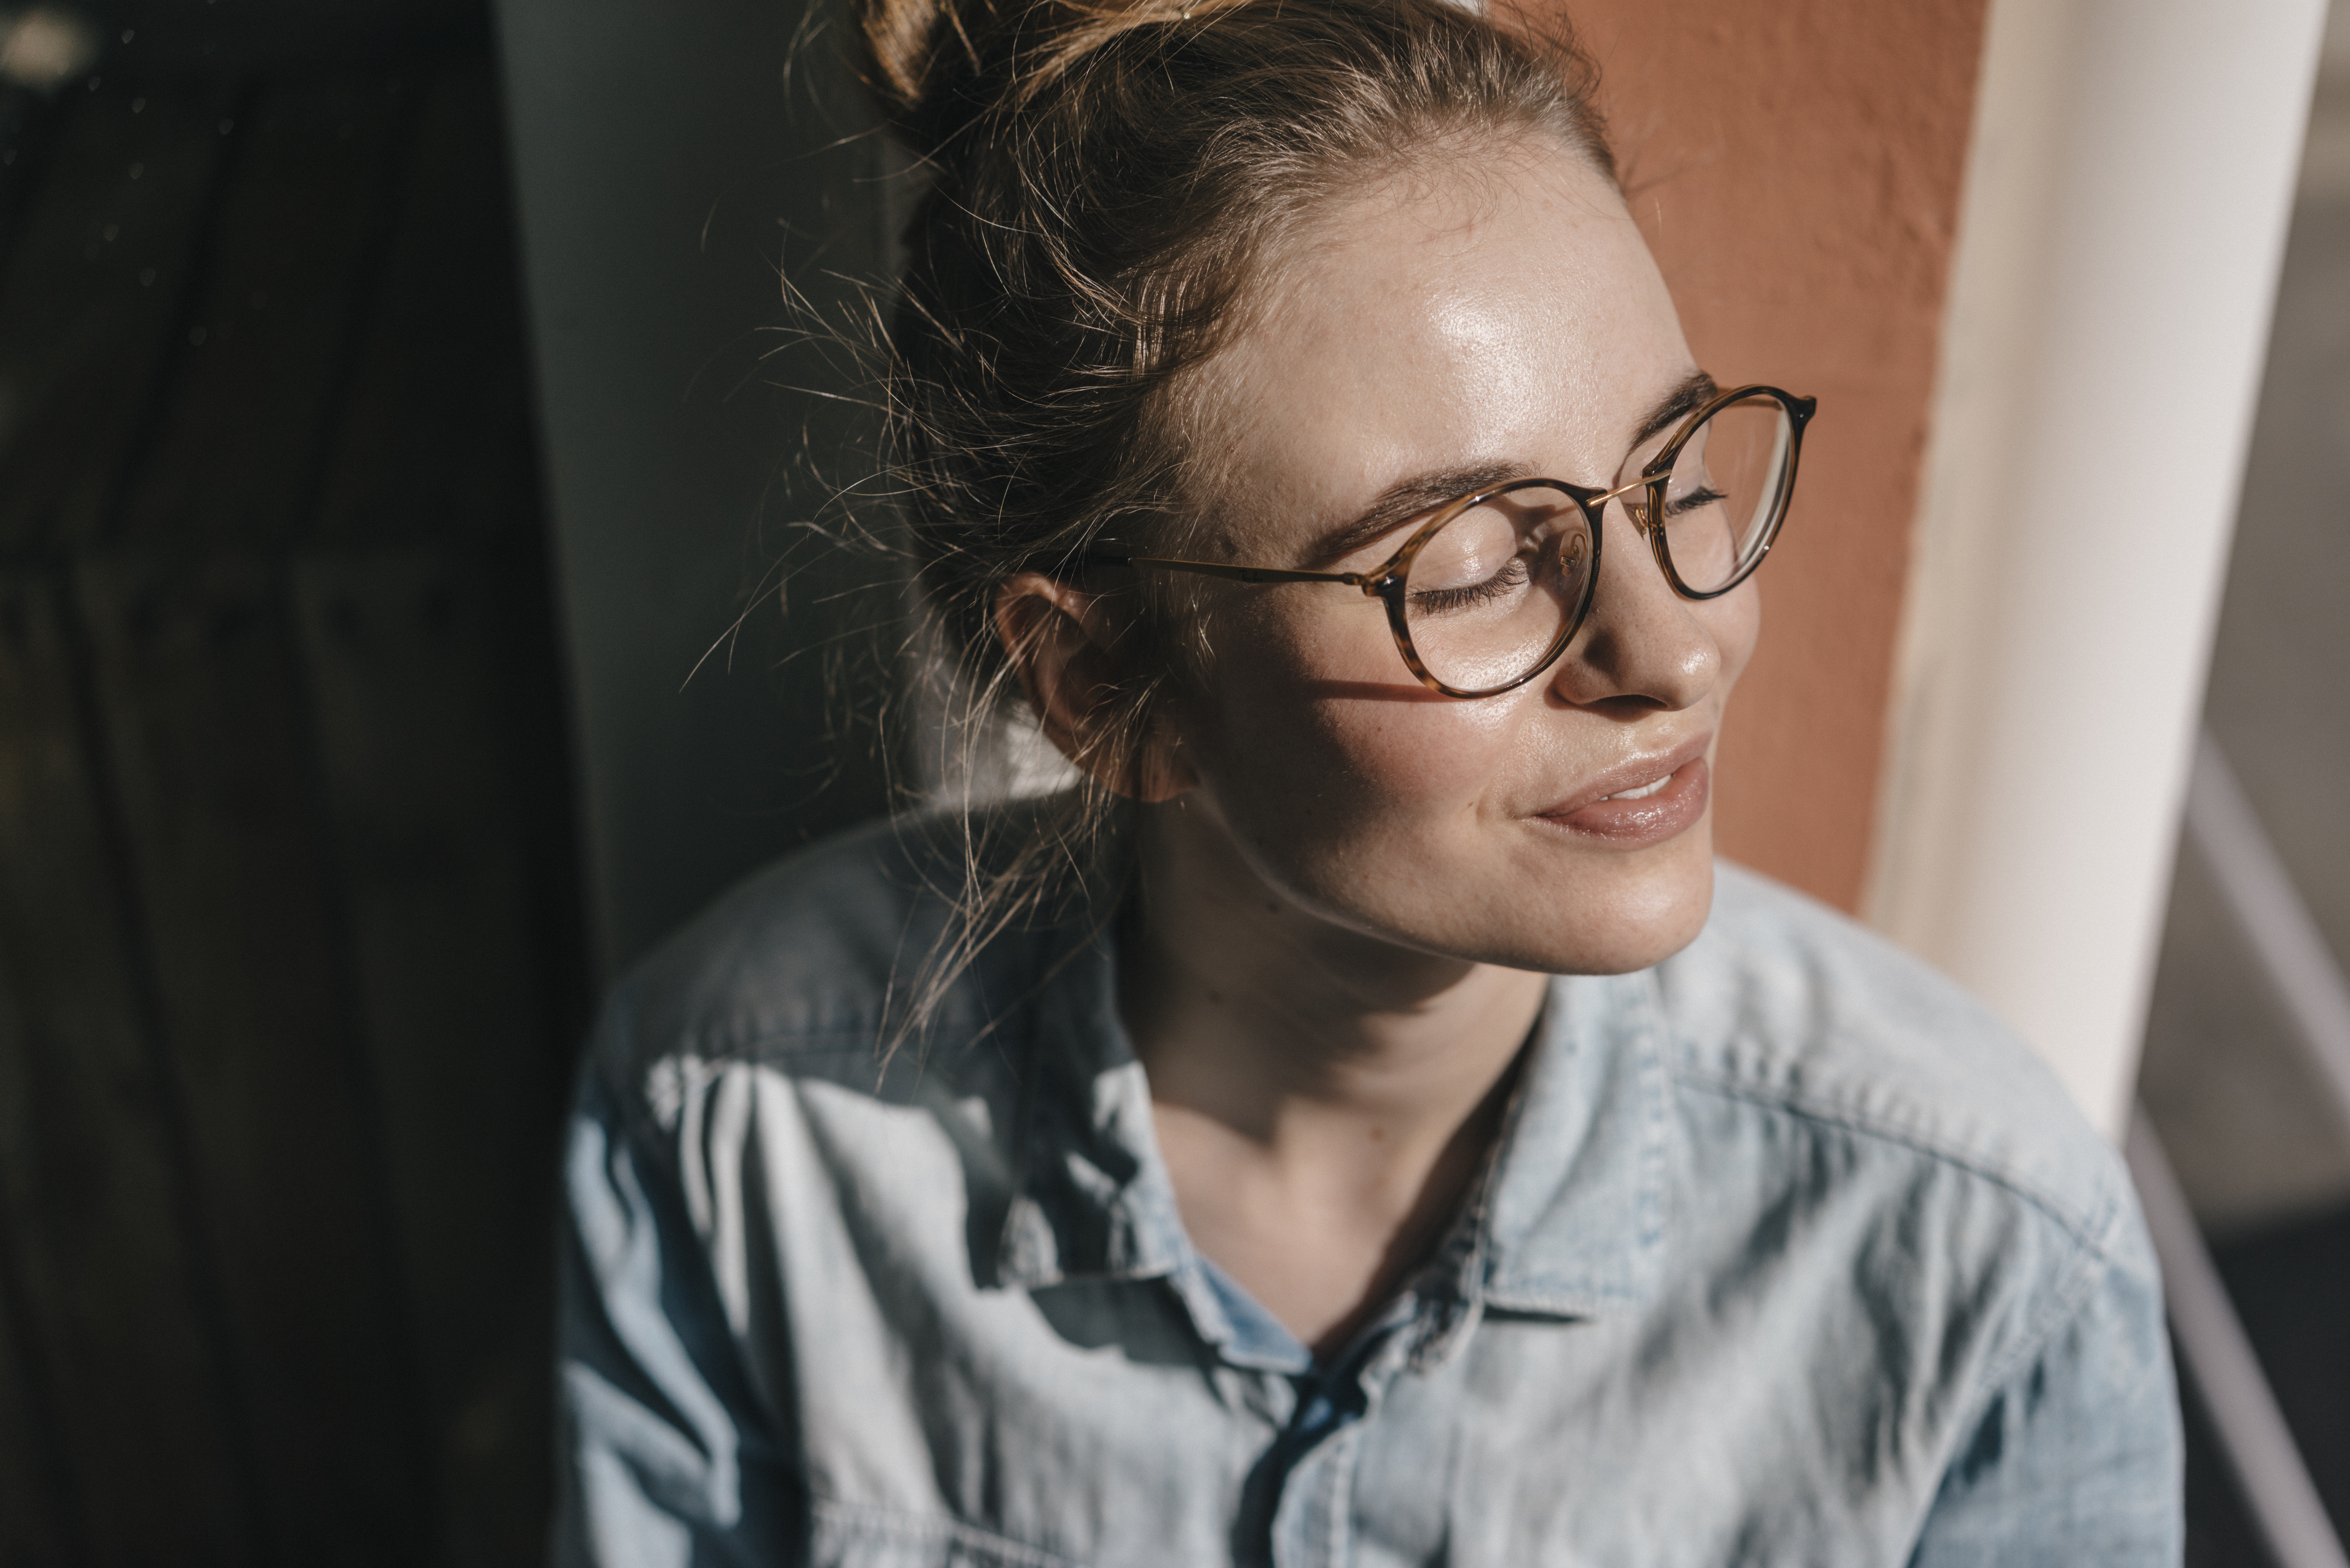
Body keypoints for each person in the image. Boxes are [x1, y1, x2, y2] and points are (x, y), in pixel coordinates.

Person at [554, 0, 2183, 1561]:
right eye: (1470, 565)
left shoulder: (1976, 1246)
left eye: (1672, 471)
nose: (1677, 646)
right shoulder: (745, 1132)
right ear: (1106, 683)